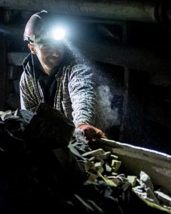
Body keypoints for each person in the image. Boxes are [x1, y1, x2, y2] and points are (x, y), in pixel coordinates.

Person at [19, 11, 106, 141]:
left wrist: (82, 124)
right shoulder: (27, 79)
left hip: (80, 139)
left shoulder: (77, 69)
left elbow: (82, 92)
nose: (55, 53)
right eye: (47, 47)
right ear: (32, 48)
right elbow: (28, 117)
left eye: (58, 45)